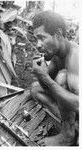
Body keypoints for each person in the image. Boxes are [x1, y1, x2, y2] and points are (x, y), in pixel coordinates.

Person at [30, 11, 79, 146]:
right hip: (74, 109)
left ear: (57, 34)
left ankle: (67, 135)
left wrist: (45, 77)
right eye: (36, 39)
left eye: (42, 38)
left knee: (61, 80)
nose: (38, 44)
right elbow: (45, 85)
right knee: (35, 89)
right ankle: (72, 125)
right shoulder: (58, 54)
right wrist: (41, 74)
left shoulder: (76, 58)